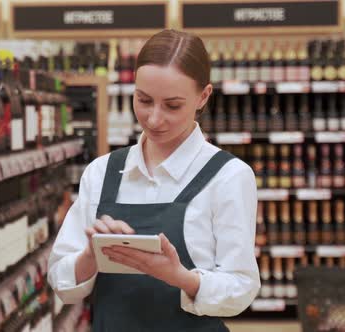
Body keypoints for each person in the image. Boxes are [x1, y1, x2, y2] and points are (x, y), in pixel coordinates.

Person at [48, 29, 260, 332]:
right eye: (143, 100)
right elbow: (60, 278)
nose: (154, 119)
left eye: (172, 105)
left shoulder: (228, 176)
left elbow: (241, 288)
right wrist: (91, 256)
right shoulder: (101, 172)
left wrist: (179, 277)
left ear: (203, 96)